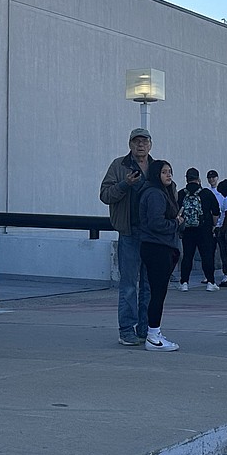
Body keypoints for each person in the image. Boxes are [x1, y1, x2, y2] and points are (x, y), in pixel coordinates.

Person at [100, 127, 154, 346]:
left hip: (152, 236)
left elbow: (170, 193)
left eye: (144, 141)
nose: (140, 145)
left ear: (150, 145)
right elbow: (105, 195)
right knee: (129, 285)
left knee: (149, 286)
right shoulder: (119, 166)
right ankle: (126, 330)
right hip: (129, 233)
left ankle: (145, 327)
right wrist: (125, 184)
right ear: (130, 144)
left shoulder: (157, 167)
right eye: (136, 142)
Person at [137, 160, 183, 351]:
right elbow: (156, 223)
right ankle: (153, 336)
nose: (168, 175)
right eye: (164, 172)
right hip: (157, 247)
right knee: (157, 293)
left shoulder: (162, 192)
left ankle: (154, 332)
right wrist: (176, 223)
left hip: (159, 247)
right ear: (156, 174)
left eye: (170, 171)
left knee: (158, 292)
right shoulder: (154, 194)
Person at [177, 168, 220, 291]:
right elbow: (216, 211)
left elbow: (176, 211)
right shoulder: (206, 193)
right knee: (206, 256)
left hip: (187, 230)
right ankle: (210, 282)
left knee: (187, 256)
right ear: (198, 178)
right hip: (204, 229)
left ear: (187, 178)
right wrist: (213, 226)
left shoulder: (181, 194)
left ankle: (184, 282)